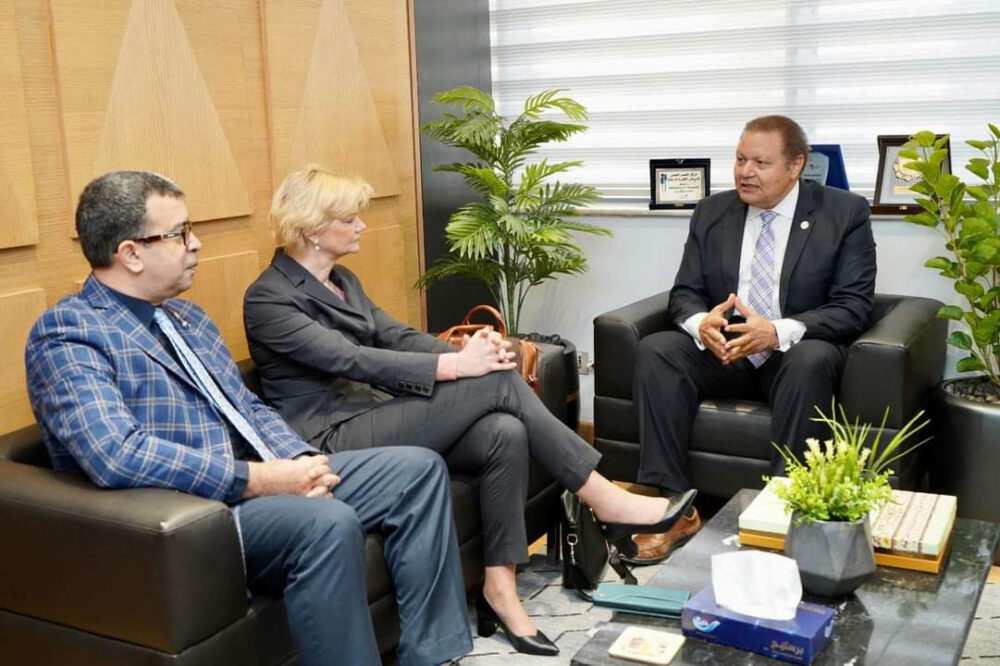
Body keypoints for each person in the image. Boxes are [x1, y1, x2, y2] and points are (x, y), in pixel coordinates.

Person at [242, 165, 697, 655]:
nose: (361, 226)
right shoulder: (268, 298)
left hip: (374, 416)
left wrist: (469, 350)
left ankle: (500, 587)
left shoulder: (342, 280)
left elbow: (395, 336)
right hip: (328, 439)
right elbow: (351, 359)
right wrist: (459, 366)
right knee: (496, 382)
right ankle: (603, 497)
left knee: (504, 431)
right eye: (350, 219)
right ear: (312, 228)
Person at [24, 171, 473, 666]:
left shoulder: (187, 318)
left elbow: (249, 408)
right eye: (179, 234)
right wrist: (261, 480)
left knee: (416, 471)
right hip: (200, 513)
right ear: (131, 254)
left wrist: (300, 462)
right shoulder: (69, 333)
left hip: (262, 478)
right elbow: (117, 453)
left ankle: (432, 655)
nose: (196, 244)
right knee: (327, 523)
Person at [631, 115, 876, 563]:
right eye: (740, 160)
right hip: (726, 351)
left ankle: (784, 512)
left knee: (811, 361)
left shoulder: (845, 214)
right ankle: (673, 507)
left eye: (760, 163)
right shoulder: (712, 212)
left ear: (796, 165)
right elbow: (684, 293)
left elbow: (853, 306)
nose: (745, 172)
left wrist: (776, 331)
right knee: (657, 351)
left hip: (792, 354)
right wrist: (701, 323)